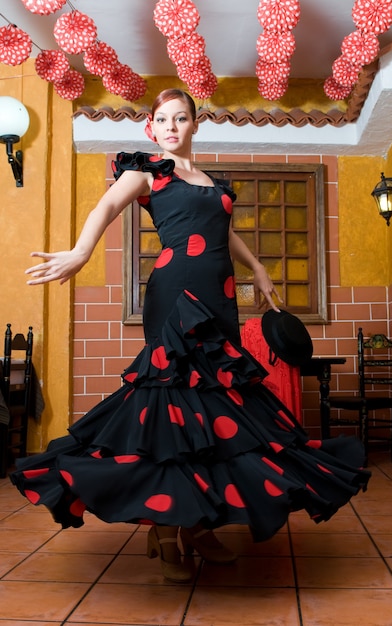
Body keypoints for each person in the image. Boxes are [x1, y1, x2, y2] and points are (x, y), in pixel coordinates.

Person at [10, 88, 370, 583]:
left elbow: (224, 231)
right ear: (151, 129)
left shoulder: (210, 181)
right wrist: (81, 251)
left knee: (219, 408)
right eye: (163, 119)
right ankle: (164, 526)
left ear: (195, 124)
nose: (172, 126)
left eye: (181, 118)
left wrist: (259, 269)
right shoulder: (147, 169)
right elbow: (106, 206)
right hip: (175, 292)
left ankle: (198, 523)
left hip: (220, 298)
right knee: (175, 406)